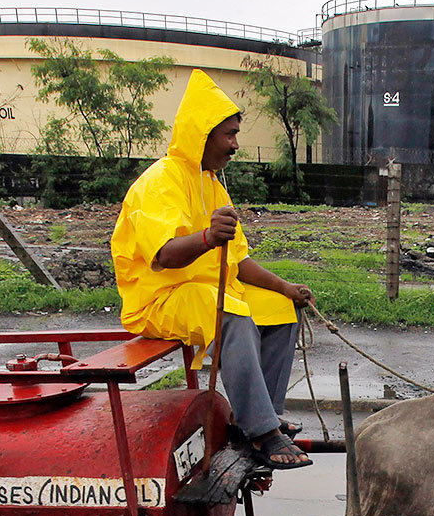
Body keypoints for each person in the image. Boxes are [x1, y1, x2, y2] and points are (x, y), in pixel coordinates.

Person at [111, 69, 313, 469]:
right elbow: (165, 255)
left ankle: (260, 416)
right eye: (230, 134)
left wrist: (284, 287)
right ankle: (262, 433)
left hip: (206, 291)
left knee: (279, 309)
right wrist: (206, 237)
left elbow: (238, 262)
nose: (236, 144)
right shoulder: (161, 182)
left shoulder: (213, 185)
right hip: (159, 299)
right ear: (202, 134)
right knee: (231, 312)